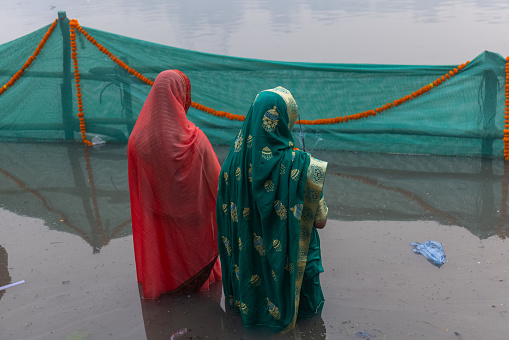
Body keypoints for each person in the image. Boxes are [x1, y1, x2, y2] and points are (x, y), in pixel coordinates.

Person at [216, 86, 328, 332]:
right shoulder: (303, 166)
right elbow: (320, 220)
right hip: (294, 273)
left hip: (246, 279)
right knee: (311, 326)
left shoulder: (231, 164)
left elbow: (226, 221)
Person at [128, 70, 221, 299]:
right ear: (181, 96)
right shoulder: (194, 140)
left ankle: (165, 284)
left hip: (158, 218)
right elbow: (219, 184)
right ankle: (197, 287)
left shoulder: (137, 141)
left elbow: (139, 191)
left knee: (166, 259)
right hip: (192, 222)